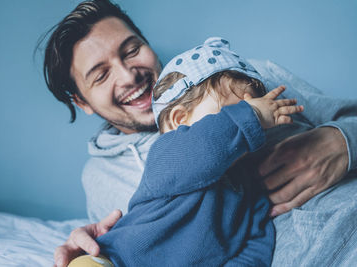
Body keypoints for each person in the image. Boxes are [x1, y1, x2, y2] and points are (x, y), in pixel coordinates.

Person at [41, 1, 357, 266]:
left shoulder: (243, 76)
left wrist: (343, 141)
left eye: (131, 49)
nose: (128, 75)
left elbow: (256, 236)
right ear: (81, 101)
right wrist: (93, 247)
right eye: (101, 74)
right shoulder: (105, 176)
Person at [91, 37, 304, 266]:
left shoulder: (246, 185)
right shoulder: (167, 155)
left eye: (252, 112)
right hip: (116, 259)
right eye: (231, 112)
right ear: (179, 121)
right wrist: (252, 116)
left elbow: (256, 243)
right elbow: (205, 148)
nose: (248, 126)